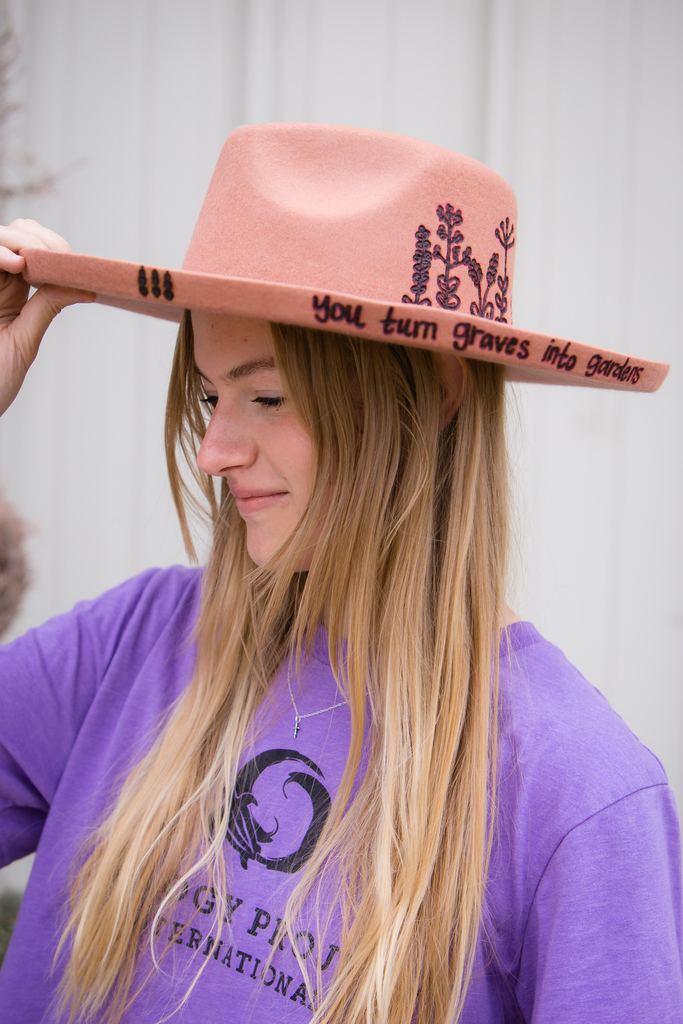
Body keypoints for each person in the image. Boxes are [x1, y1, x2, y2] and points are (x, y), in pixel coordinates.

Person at [0, 123, 680, 1024]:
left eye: (267, 396)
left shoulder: (576, 794)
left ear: (432, 395)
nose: (212, 450)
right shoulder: (131, 645)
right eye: (209, 395)